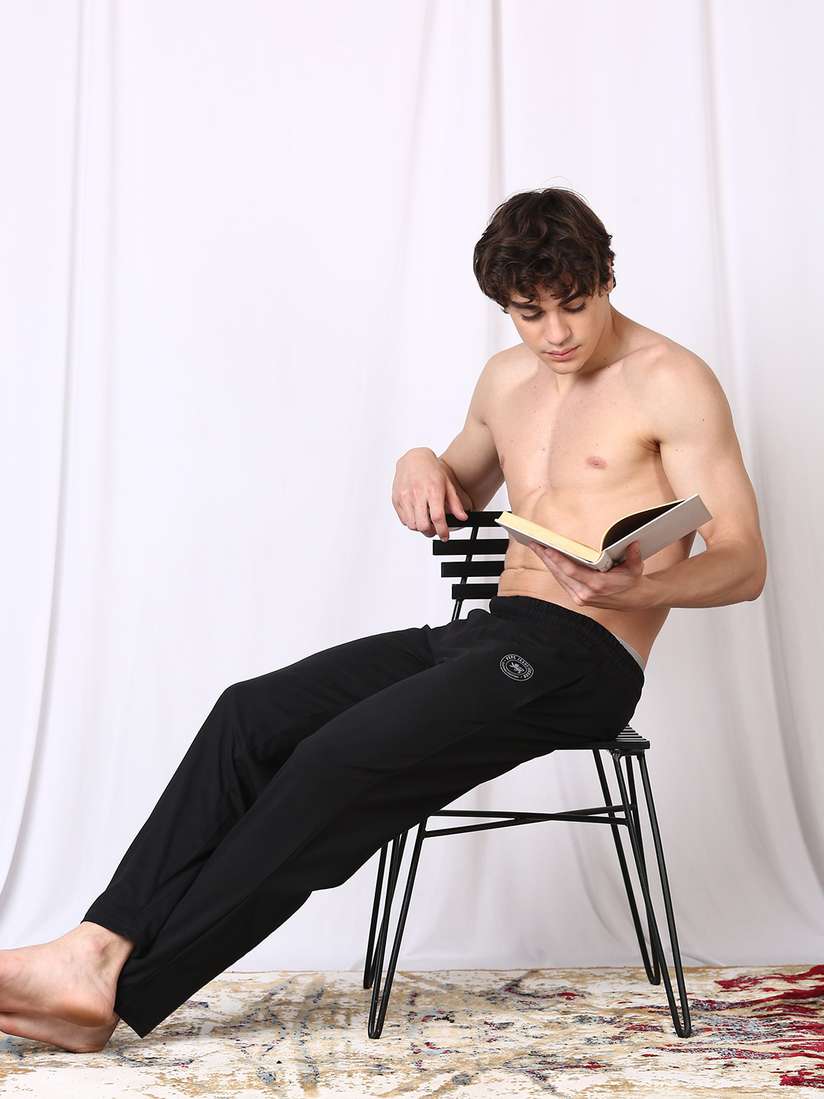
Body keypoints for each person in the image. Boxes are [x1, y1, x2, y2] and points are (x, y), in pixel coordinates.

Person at [0, 187, 767, 1051]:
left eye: (574, 304)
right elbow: (458, 485)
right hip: (490, 634)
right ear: (504, 305)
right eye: (529, 313)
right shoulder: (506, 381)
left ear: (608, 277)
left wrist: (635, 590)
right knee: (248, 714)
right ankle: (94, 946)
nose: (556, 333)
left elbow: (744, 561)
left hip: (589, 656)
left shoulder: (671, 380)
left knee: (338, 759)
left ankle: (120, 992)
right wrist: (417, 460)